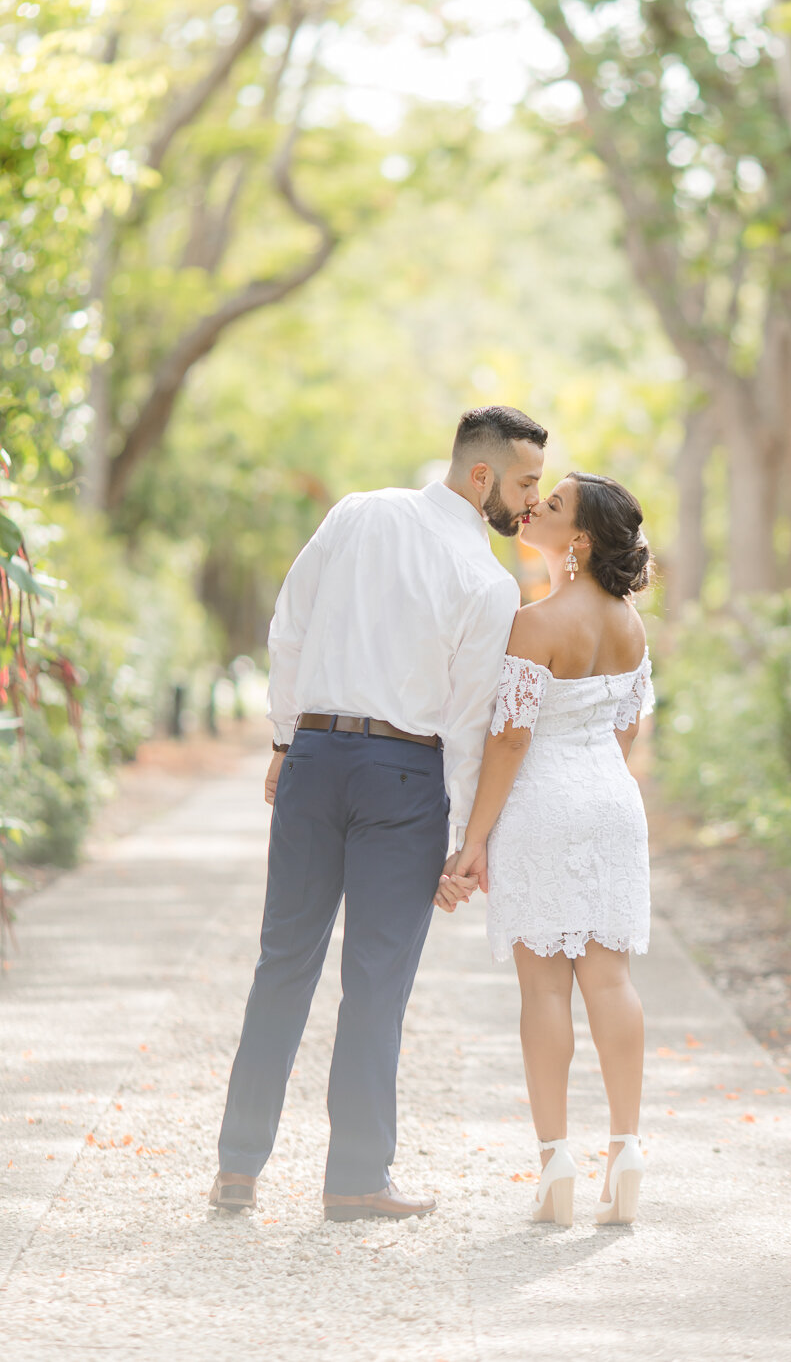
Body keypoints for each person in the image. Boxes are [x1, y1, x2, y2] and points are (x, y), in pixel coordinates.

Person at [209, 405, 547, 1220]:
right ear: (481, 476)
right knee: (375, 981)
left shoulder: (357, 511)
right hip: (404, 771)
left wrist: (288, 740)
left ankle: (237, 1169)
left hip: (317, 759)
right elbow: (469, 722)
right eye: (525, 482)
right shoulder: (489, 583)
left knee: (282, 962)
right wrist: (469, 842)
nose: (531, 501)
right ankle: (356, 1179)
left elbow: (288, 625)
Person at [438, 471, 653, 1227]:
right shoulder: (631, 624)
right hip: (612, 798)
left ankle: (556, 1163)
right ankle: (626, 1150)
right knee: (611, 980)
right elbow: (627, 727)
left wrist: (473, 839)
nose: (537, 509)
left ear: (582, 540)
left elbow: (511, 736)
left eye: (554, 506)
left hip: (542, 802)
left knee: (544, 992)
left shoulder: (536, 622)